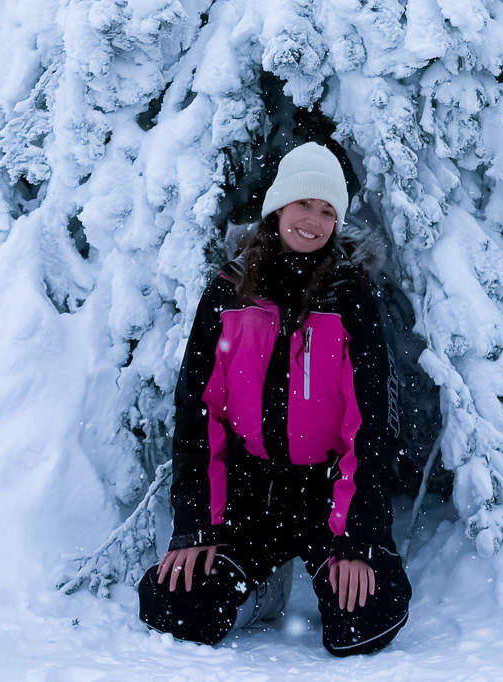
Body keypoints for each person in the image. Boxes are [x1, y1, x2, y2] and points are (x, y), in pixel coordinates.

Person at [137, 142, 411, 657]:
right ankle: (260, 590)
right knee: (173, 605)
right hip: (250, 493)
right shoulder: (228, 293)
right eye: (304, 203)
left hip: (326, 493)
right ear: (278, 206)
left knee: (366, 621)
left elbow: (371, 427)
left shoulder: (350, 298)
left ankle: (319, 571)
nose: (313, 220)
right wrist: (196, 527)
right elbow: (199, 416)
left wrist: (358, 540)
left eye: (327, 211)